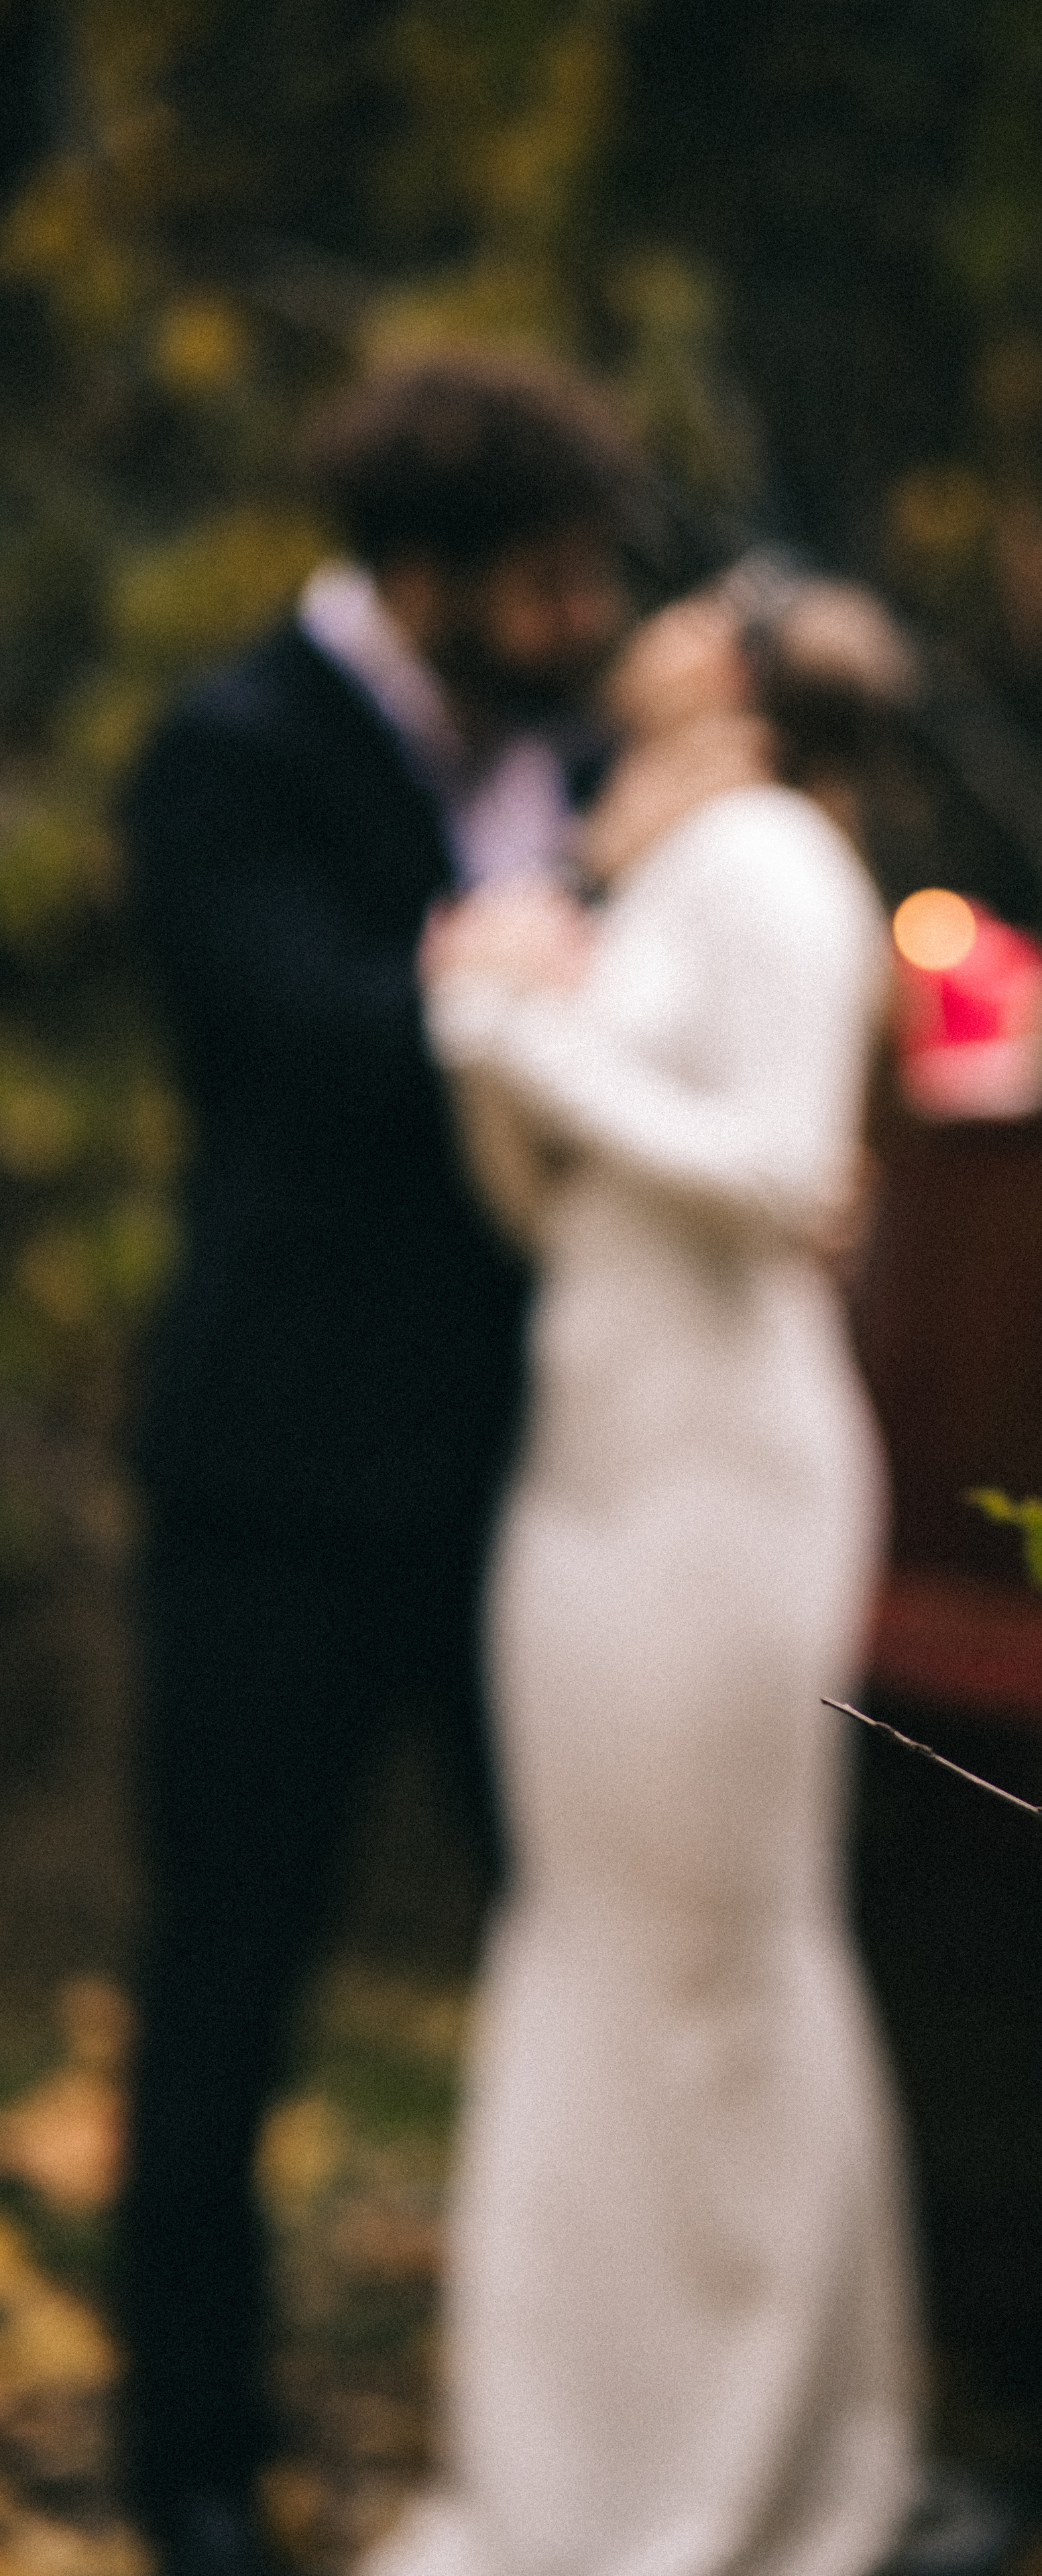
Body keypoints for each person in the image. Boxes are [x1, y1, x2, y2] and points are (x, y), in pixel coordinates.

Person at [119, 352, 645, 2576]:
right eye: (541, 583)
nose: (579, 618)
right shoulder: (227, 753)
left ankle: (602, 2416)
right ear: (418, 573)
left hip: (538, 1477)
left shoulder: (578, 754)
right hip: (280, 1475)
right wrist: (497, 980)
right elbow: (293, 1040)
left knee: (587, 1943)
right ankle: (194, 2451)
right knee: (232, 1966)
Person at [363, 576, 925, 2576]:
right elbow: (557, 1210)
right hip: (585, 1472)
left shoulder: (776, 861)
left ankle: (766, 2470)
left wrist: (522, 1018)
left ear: (748, 678)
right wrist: (487, 1032)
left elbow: (788, 1175)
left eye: (703, 600)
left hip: (723, 1491)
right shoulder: (645, 873)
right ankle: (572, 2469)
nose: (651, 610)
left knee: (717, 1964)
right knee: (589, 1958)